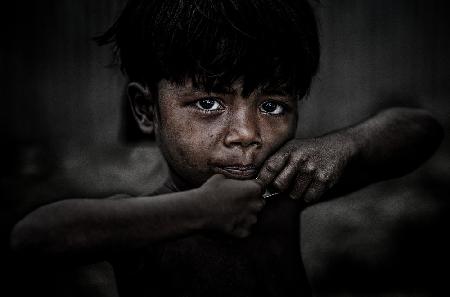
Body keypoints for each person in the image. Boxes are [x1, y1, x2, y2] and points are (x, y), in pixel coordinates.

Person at [9, 0, 443, 296]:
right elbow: (35, 238)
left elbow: (420, 131)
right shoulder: (147, 224)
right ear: (146, 110)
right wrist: (200, 209)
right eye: (209, 103)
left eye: (272, 105)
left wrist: (343, 145)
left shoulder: (277, 194)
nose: (246, 134)